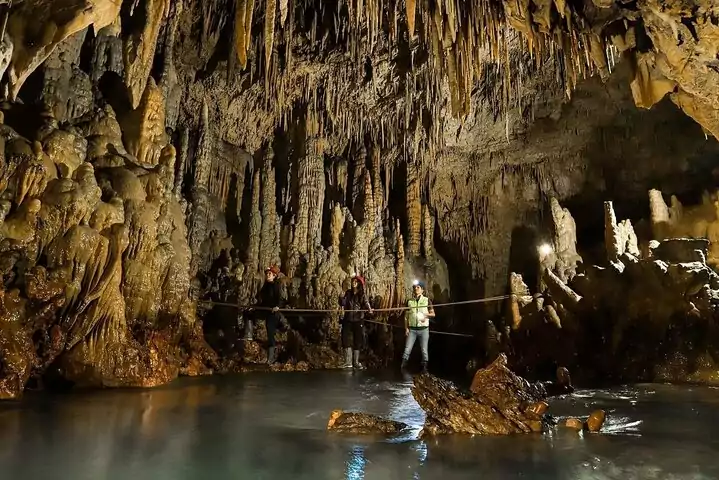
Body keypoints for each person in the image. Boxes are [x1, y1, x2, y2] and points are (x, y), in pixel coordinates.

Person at [249, 265, 284, 364]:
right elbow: (261, 299)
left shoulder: (276, 285)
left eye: (269, 274)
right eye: (267, 274)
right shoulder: (265, 285)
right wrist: (254, 306)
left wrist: (277, 306)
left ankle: (271, 357)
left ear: (274, 276)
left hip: (273, 312)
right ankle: (248, 335)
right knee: (248, 313)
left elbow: (280, 298)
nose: (267, 275)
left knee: (270, 331)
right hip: (265, 310)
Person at [401, 280, 435, 373]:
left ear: (422, 290)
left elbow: (433, 314)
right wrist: (406, 328)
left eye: (418, 287)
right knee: (407, 348)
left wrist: (425, 315)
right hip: (412, 329)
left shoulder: (427, 300)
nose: (416, 289)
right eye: (414, 287)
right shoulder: (409, 301)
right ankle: (403, 367)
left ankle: (424, 368)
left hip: (423, 329)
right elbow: (406, 317)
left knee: (424, 349)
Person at [340, 275, 373, 369]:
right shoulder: (348, 293)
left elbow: (366, 302)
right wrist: (341, 299)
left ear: (359, 283)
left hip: (358, 319)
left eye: (355, 281)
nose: (353, 283)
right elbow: (343, 303)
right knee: (345, 338)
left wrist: (369, 309)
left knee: (357, 340)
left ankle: (356, 362)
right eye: (353, 281)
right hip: (348, 318)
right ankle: (348, 362)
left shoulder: (362, 294)